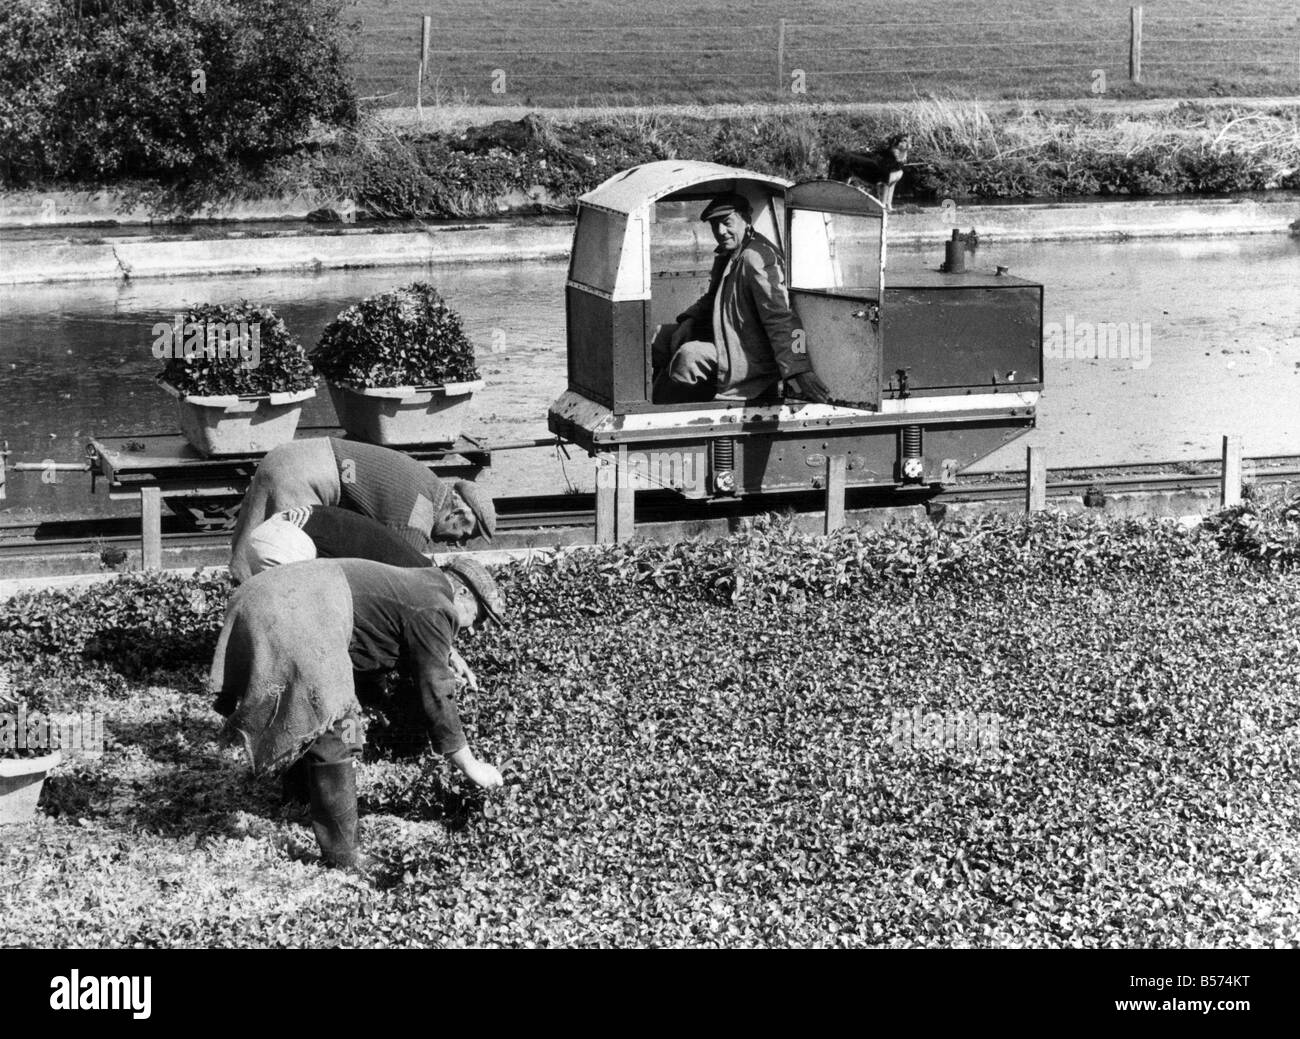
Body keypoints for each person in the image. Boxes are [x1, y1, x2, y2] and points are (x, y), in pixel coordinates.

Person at [209, 555, 506, 869]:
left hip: (270, 594)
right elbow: (436, 691)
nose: (475, 631)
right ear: (461, 593)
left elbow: (374, 650)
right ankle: (343, 855)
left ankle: (299, 795)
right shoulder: (434, 607)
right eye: (480, 617)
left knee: (336, 719)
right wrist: (470, 765)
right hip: (290, 610)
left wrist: (359, 738)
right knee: (334, 726)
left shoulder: (424, 586)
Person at [241, 503, 482, 691]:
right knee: (303, 639)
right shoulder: (420, 583)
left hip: (286, 531)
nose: (469, 628)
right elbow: (424, 623)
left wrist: (449, 652)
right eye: (475, 617)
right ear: (461, 592)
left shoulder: (421, 575)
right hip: (287, 541)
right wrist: (443, 656)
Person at [226, 437, 496, 584]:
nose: (457, 543)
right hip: (301, 476)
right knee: (290, 585)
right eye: (463, 534)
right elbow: (407, 581)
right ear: (457, 514)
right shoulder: (419, 516)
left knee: (244, 566)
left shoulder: (429, 485)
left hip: (288, 456)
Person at [652, 193, 830, 405]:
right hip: (729, 337)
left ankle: (669, 419)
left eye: (727, 223)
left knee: (689, 356)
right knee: (659, 339)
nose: (720, 232)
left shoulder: (756, 258)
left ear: (746, 220)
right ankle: (654, 403)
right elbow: (712, 298)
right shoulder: (730, 253)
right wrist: (689, 320)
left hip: (751, 357)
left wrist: (800, 367)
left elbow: (784, 319)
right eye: (714, 225)